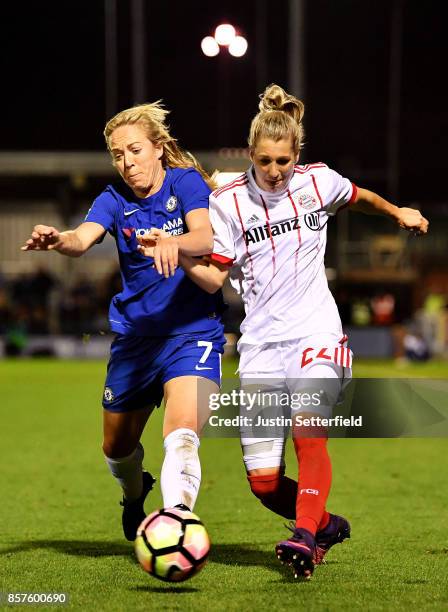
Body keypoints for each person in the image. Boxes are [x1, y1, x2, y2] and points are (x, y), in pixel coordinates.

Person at [141, 84, 429, 578]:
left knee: (309, 433)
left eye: (284, 161)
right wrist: (176, 254)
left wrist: (397, 211)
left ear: (297, 155)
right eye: (266, 161)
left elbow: (358, 197)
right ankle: (321, 524)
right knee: (264, 483)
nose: (275, 172)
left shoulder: (318, 182)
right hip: (259, 349)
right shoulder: (229, 202)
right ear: (251, 154)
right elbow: (217, 275)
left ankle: (303, 537)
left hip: (317, 334)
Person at [21, 101, 226, 541]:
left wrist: (174, 241)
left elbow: (205, 235)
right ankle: (135, 495)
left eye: (134, 150)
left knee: (183, 434)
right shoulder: (113, 200)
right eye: (118, 154)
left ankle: (177, 524)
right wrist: (59, 240)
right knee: (116, 449)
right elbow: (81, 239)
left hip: (191, 333)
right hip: (136, 341)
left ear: (157, 148)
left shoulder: (185, 182)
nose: (127, 162)